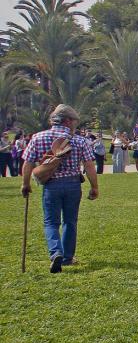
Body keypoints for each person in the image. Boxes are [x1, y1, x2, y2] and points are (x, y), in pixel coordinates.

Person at [20, 104, 99, 273]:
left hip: (51, 185)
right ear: (68, 121)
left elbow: (28, 163)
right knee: (70, 222)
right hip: (72, 184)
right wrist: (94, 187)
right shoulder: (79, 140)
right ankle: (67, 258)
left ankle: (55, 252)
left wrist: (25, 184)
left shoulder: (38, 138)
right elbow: (89, 165)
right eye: (74, 121)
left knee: (51, 222)